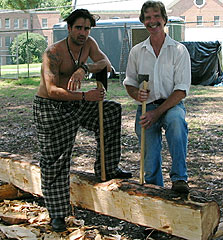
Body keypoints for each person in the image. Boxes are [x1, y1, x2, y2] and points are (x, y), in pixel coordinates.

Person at [33, 9, 132, 232]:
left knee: (110, 111)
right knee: (55, 159)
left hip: (76, 102)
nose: (83, 32)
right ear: (69, 28)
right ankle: (57, 214)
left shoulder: (89, 44)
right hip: (51, 107)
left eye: (86, 28)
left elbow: (105, 63)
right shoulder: (53, 53)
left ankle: (107, 168)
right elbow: (51, 90)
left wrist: (83, 68)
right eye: (78, 27)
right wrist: (86, 96)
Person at [123, 1, 191, 193]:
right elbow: (129, 82)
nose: (152, 21)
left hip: (171, 105)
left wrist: (158, 113)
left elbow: (181, 90)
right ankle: (154, 189)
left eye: (156, 16)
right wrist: (136, 93)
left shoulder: (178, 50)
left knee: (177, 123)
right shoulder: (137, 51)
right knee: (150, 158)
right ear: (143, 21)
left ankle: (179, 180)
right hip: (146, 108)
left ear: (164, 19)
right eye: (147, 18)